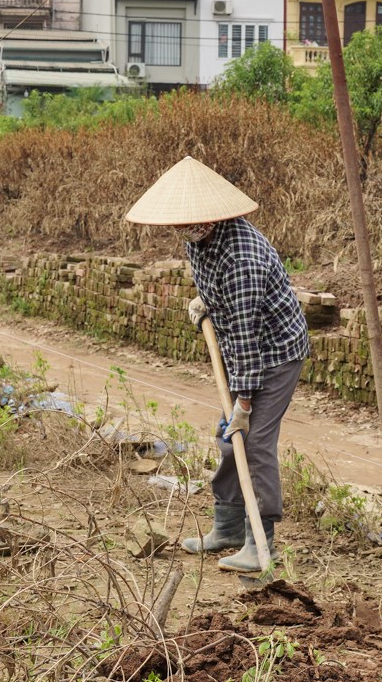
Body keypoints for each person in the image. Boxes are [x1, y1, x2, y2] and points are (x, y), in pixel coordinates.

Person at [125, 156, 310, 572]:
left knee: (254, 442)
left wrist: (244, 404)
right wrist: (206, 302)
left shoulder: (242, 258)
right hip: (241, 345)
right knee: (229, 438)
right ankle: (227, 526)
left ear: (210, 216)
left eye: (186, 222)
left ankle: (261, 541)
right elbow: (221, 298)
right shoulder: (200, 238)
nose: (179, 230)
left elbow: (246, 337)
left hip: (276, 352)